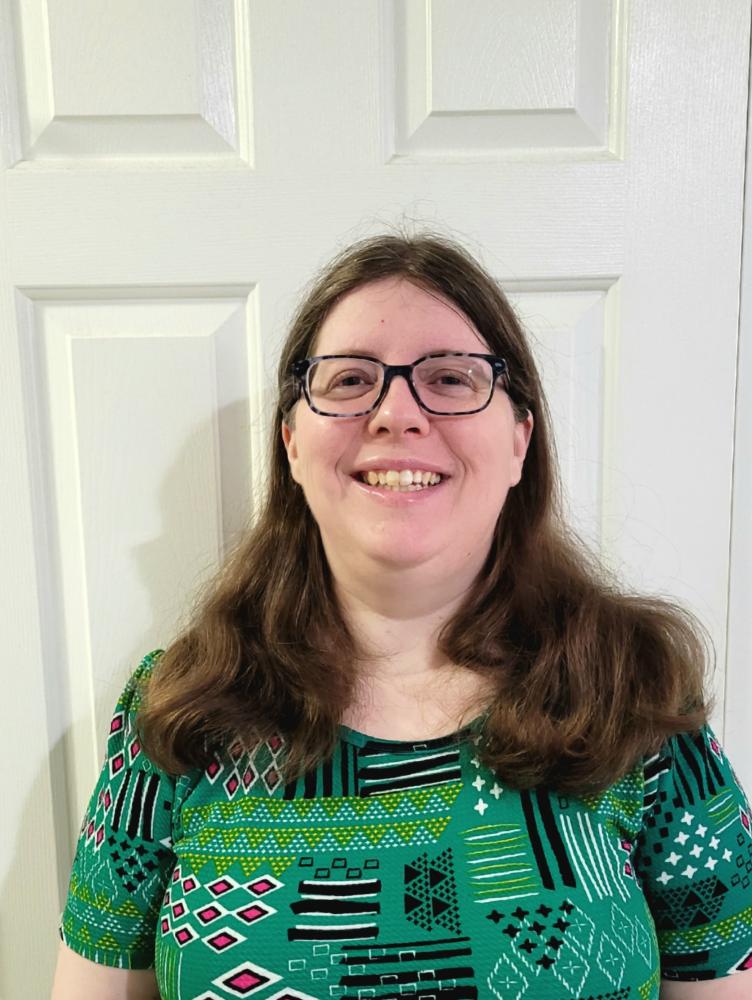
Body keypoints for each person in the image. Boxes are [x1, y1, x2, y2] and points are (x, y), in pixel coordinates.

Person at [52, 234, 752, 999]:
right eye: (350, 379)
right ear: (292, 443)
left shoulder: (635, 696)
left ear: (520, 441)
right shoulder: (178, 710)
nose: (396, 413)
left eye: (450, 378)